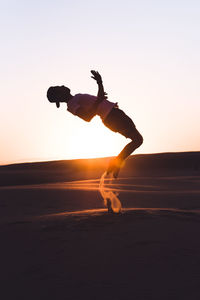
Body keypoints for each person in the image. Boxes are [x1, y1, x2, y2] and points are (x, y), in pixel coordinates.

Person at [47, 70, 143, 178]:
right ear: (59, 96)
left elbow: (99, 98)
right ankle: (116, 163)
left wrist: (99, 82)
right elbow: (87, 117)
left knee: (137, 140)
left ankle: (116, 163)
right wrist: (99, 100)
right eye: (59, 88)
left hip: (114, 114)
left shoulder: (76, 97)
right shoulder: (71, 105)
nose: (63, 85)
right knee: (138, 140)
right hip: (111, 117)